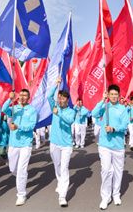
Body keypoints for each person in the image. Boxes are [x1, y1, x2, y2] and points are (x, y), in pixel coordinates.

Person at [92, 85, 130, 210]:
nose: (113, 96)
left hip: (118, 145)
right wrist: (102, 101)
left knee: (118, 171)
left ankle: (116, 194)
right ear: (108, 95)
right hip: (105, 145)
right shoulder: (105, 106)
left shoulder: (123, 109)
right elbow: (94, 113)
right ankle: (105, 197)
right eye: (111, 94)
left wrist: (114, 129)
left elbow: (124, 126)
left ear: (119, 96)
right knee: (106, 170)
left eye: (115, 94)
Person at [47, 78, 76, 207]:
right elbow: (49, 96)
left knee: (64, 168)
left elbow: (69, 121)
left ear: (67, 100)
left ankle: (62, 196)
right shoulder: (55, 106)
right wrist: (55, 84)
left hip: (66, 144)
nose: (61, 100)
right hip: (54, 143)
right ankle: (60, 182)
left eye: (63, 98)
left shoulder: (71, 111)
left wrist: (58, 113)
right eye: (59, 98)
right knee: (57, 165)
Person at [6, 88, 37, 206]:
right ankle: (21, 177)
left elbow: (31, 126)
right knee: (12, 169)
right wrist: (10, 98)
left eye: (25, 95)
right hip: (13, 143)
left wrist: (19, 127)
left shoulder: (32, 110)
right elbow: (4, 109)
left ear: (28, 98)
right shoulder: (14, 109)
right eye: (21, 95)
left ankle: (21, 194)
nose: (23, 97)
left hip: (26, 144)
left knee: (21, 170)